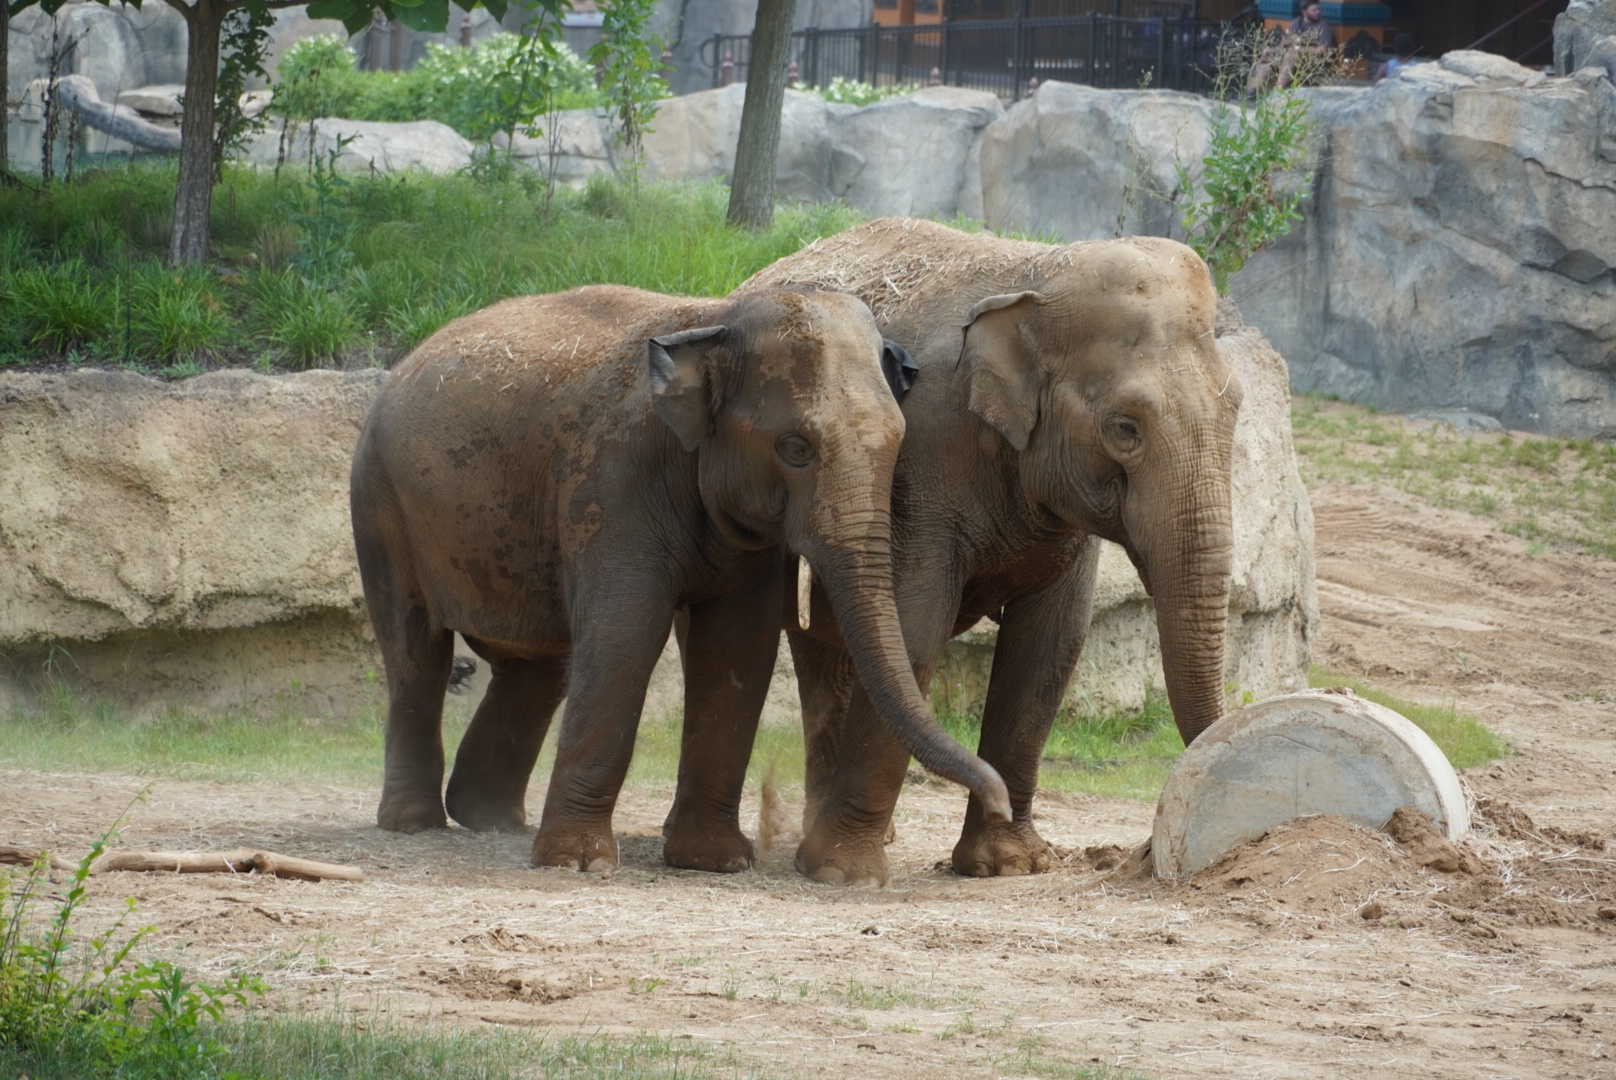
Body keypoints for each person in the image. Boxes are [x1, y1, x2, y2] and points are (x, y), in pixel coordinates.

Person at [1247, 2, 1337, 93]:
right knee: (1269, 55)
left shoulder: (1323, 25)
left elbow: (1322, 50)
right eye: (1314, 10)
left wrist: (1298, 50)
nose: (1318, 12)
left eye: (1319, 9)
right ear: (1304, 12)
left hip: (1313, 61)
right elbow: (1287, 45)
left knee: (1290, 56)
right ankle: (1253, 89)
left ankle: (1278, 90)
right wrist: (1273, 50)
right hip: (1293, 56)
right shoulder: (1296, 23)